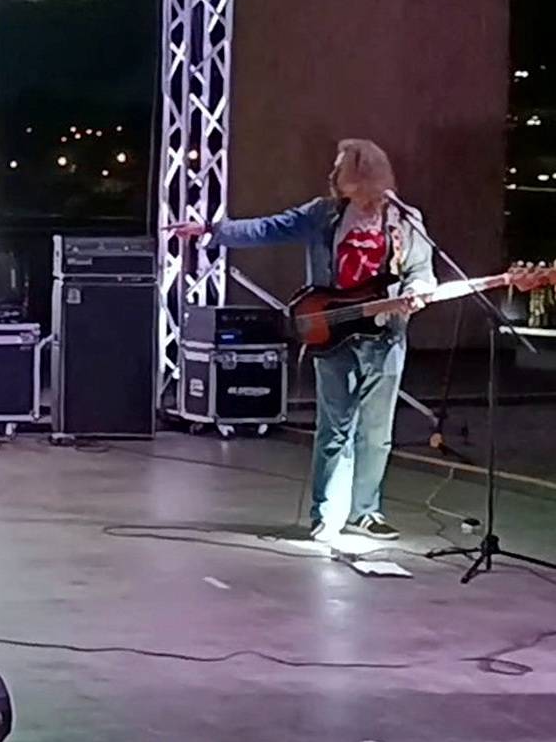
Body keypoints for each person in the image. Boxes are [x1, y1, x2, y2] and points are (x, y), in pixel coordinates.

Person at [169, 139, 433, 542]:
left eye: (341, 167)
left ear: (364, 173)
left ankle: (366, 512)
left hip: (384, 335)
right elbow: (269, 228)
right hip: (332, 330)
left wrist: (416, 291)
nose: (333, 174)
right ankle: (326, 512)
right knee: (335, 427)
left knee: (377, 432)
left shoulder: (404, 220)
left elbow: (421, 270)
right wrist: (211, 230)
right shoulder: (324, 214)